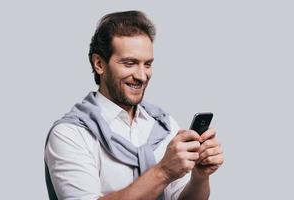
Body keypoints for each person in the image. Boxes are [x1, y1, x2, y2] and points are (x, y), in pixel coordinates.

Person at [44, 10, 224, 200]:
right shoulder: (70, 134)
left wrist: (199, 177)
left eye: (147, 64)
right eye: (129, 63)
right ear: (99, 64)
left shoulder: (164, 125)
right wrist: (163, 171)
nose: (141, 75)